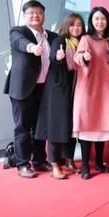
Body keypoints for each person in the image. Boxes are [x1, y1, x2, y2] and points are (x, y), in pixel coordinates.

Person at [4, 0, 56, 178]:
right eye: (31, 13)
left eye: (39, 12)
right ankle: (22, 164)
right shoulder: (18, 32)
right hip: (22, 88)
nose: (35, 16)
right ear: (25, 16)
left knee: (40, 127)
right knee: (23, 127)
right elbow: (20, 42)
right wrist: (32, 47)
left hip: (45, 88)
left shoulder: (51, 36)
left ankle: (39, 160)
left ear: (44, 15)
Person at [35, 13, 85, 179]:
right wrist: (58, 57)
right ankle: (55, 164)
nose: (76, 28)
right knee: (56, 126)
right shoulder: (60, 40)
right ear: (66, 26)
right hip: (58, 88)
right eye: (72, 25)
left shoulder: (82, 42)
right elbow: (53, 57)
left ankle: (69, 160)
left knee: (71, 125)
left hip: (75, 86)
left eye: (79, 25)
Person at [72, 7, 109, 180]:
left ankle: (99, 162)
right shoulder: (86, 39)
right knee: (87, 126)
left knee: (101, 125)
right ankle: (85, 165)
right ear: (91, 21)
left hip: (105, 90)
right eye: (96, 19)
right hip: (88, 90)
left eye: (103, 19)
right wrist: (85, 58)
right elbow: (77, 57)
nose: (100, 22)